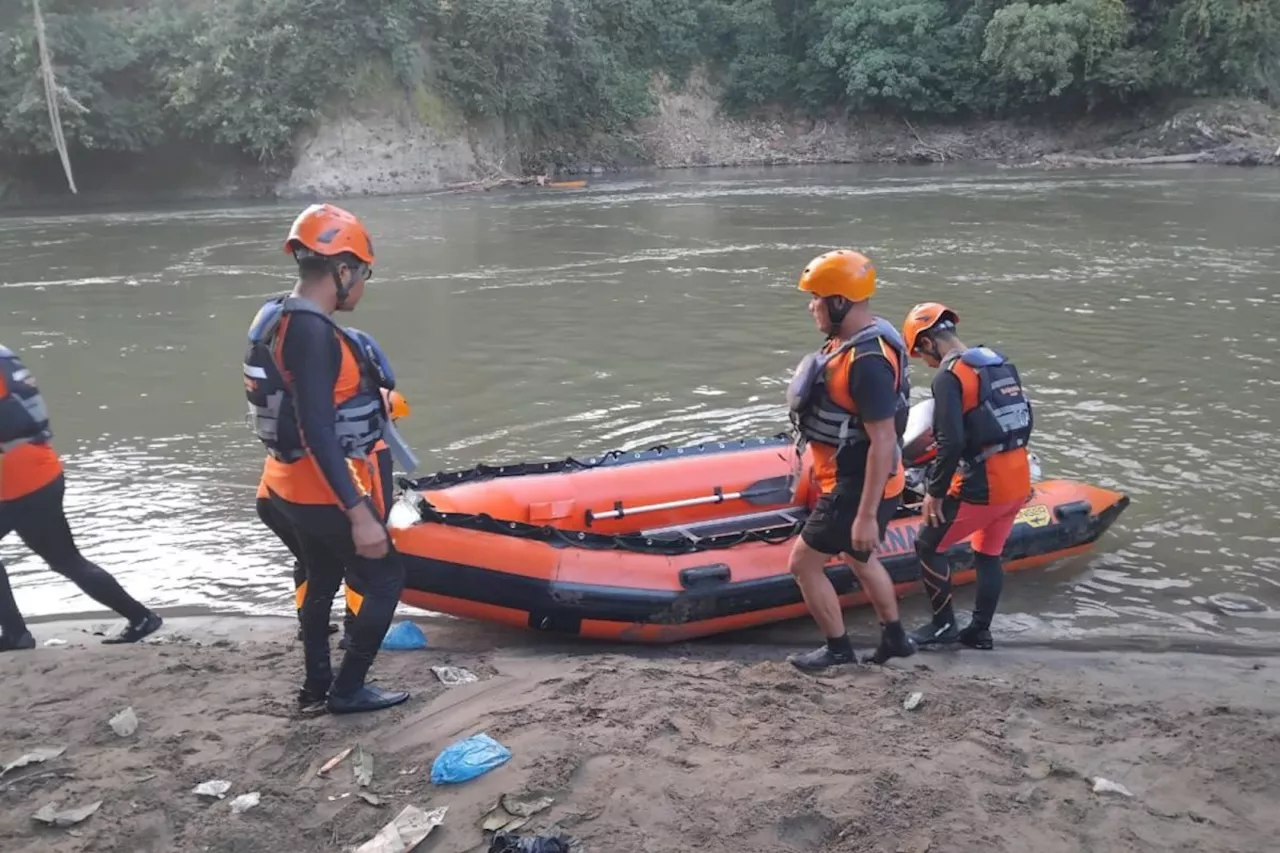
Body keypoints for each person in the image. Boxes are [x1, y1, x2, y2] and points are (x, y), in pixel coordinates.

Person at [243, 203, 410, 715]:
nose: (362, 285)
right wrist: (360, 513)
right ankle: (347, 689)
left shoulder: (274, 315)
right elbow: (317, 427)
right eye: (363, 274)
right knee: (384, 578)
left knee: (319, 571)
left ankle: (317, 682)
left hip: (283, 486)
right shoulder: (314, 332)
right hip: (324, 493)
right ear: (342, 271)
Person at [783, 249, 918, 670]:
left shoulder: (868, 362)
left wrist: (864, 515)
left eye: (818, 299)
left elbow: (881, 441)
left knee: (803, 564)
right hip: (858, 478)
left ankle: (839, 650)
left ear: (840, 302)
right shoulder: (850, 341)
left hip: (857, 484)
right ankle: (896, 639)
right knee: (859, 558)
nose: (811, 306)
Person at [0, 344, 163, 651]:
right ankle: (141, 617)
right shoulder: (4, 356)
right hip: (43, 471)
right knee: (66, 559)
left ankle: (15, 635)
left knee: (65, 559)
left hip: (16, 482)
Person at [900, 302, 1034, 650]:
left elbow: (951, 441)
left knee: (927, 544)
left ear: (929, 342)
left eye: (921, 353)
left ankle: (943, 625)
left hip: (984, 484)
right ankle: (980, 631)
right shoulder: (999, 362)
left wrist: (935, 492)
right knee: (988, 554)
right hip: (1018, 476)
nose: (926, 362)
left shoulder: (949, 376)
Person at [256, 378, 409, 649]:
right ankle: (354, 633)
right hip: (315, 507)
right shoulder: (376, 446)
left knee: (309, 563)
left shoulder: (316, 429)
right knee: (360, 567)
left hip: (273, 503)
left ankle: (309, 625)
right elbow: (380, 503)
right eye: (394, 423)